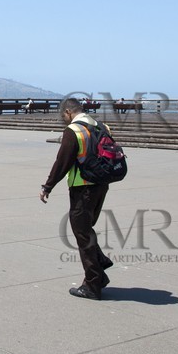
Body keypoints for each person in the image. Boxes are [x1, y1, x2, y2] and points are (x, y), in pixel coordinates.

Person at [40, 96, 115, 300]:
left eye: (62, 115)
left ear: (67, 112)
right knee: (85, 229)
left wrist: (48, 186)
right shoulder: (101, 126)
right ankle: (99, 266)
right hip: (102, 185)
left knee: (82, 233)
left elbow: (62, 162)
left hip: (83, 188)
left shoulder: (73, 131)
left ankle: (93, 283)